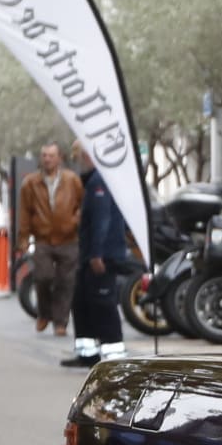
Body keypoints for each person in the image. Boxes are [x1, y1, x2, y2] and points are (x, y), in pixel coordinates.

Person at [66, 143, 135, 365]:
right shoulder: (95, 180)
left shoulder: (99, 182)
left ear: (88, 155)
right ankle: (87, 354)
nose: (77, 160)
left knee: (103, 304)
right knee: (82, 303)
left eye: (78, 155)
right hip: (91, 255)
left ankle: (115, 355)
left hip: (100, 256)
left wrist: (96, 254)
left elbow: (101, 221)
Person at [15, 141, 83, 336]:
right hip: (43, 239)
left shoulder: (72, 180)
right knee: (42, 277)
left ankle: (60, 322)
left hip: (68, 238)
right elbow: (25, 213)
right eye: (44, 155)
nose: (47, 159)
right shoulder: (30, 183)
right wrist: (23, 238)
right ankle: (44, 313)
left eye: (51, 155)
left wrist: (75, 220)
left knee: (66, 281)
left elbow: (82, 204)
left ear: (59, 158)